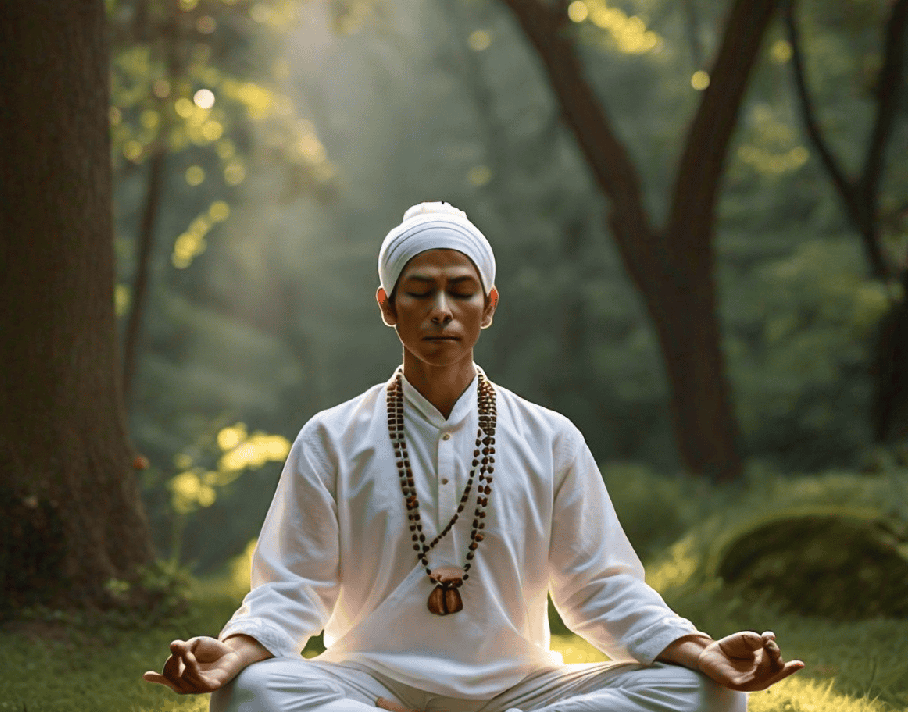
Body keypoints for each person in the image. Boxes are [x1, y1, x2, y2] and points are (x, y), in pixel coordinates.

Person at [145, 202, 804, 712]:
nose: (440, 310)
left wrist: (700, 652)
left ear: (487, 307)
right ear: (386, 307)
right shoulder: (331, 435)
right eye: (419, 291)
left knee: (713, 695)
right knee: (247, 693)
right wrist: (229, 655)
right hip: (370, 686)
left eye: (460, 291)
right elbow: (292, 590)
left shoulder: (550, 436)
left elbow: (601, 587)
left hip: (520, 693)